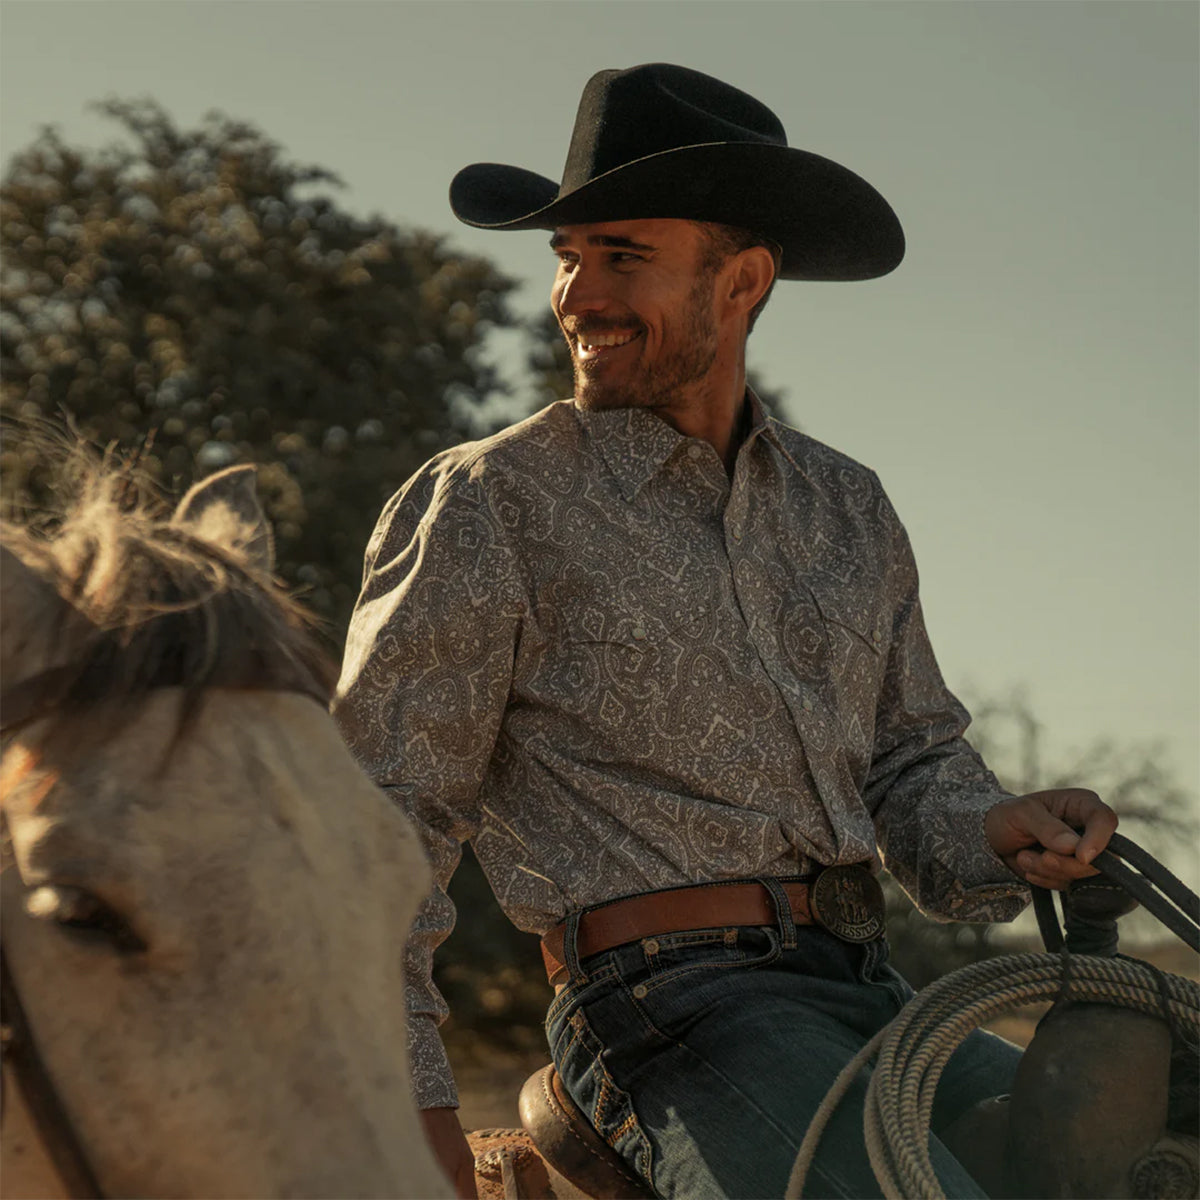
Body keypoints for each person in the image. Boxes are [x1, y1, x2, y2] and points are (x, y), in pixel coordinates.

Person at [334, 63, 1117, 1199]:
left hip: (875, 996)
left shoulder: (845, 507)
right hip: (665, 1011)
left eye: (623, 257)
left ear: (742, 281)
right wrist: (405, 1097)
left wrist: (997, 824)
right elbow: (376, 820)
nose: (577, 296)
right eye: (568, 258)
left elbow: (912, 758)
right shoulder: (490, 503)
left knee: (1148, 1147)